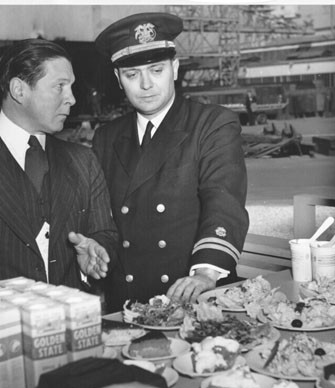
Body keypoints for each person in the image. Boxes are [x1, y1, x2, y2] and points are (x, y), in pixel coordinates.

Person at [0, 39, 118, 323]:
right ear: (19, 90)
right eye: (60, 86)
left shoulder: (83, 161)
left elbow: (104, 232)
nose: (71, 98)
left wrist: (95, 251)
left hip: (70, 340)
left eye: (70, 87)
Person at [92, 12, 249, 312]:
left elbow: (223, 200)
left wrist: (205, 272)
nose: (146, 84)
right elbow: (101, 219)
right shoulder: (106, 137)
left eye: (156, 70)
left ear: (174, 68)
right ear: (118, 79)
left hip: (189, 297)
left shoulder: (212, 124)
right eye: (132, 74)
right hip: (126, 303)